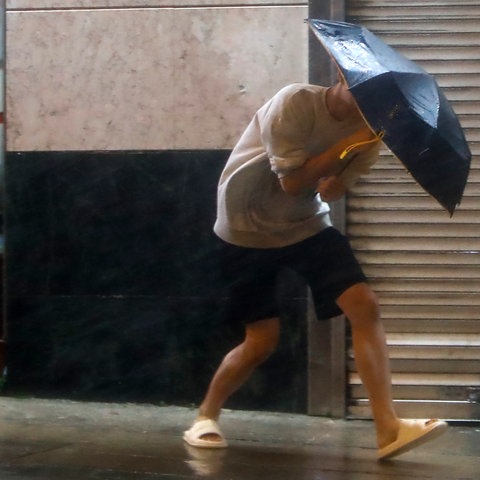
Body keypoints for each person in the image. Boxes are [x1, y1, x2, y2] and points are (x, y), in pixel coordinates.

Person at [183, 80, 447, 460]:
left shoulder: (371, 135)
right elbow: (291, 182)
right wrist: (353, 140)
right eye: (361, 89)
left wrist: (338, 182)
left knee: (364, 306)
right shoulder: (294, 103)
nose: (367, 100)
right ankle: (205, 417)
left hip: (305, 224)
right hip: (246, 226)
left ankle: (388, 429)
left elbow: (329, 192)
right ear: (341, 77)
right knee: (261, 341)